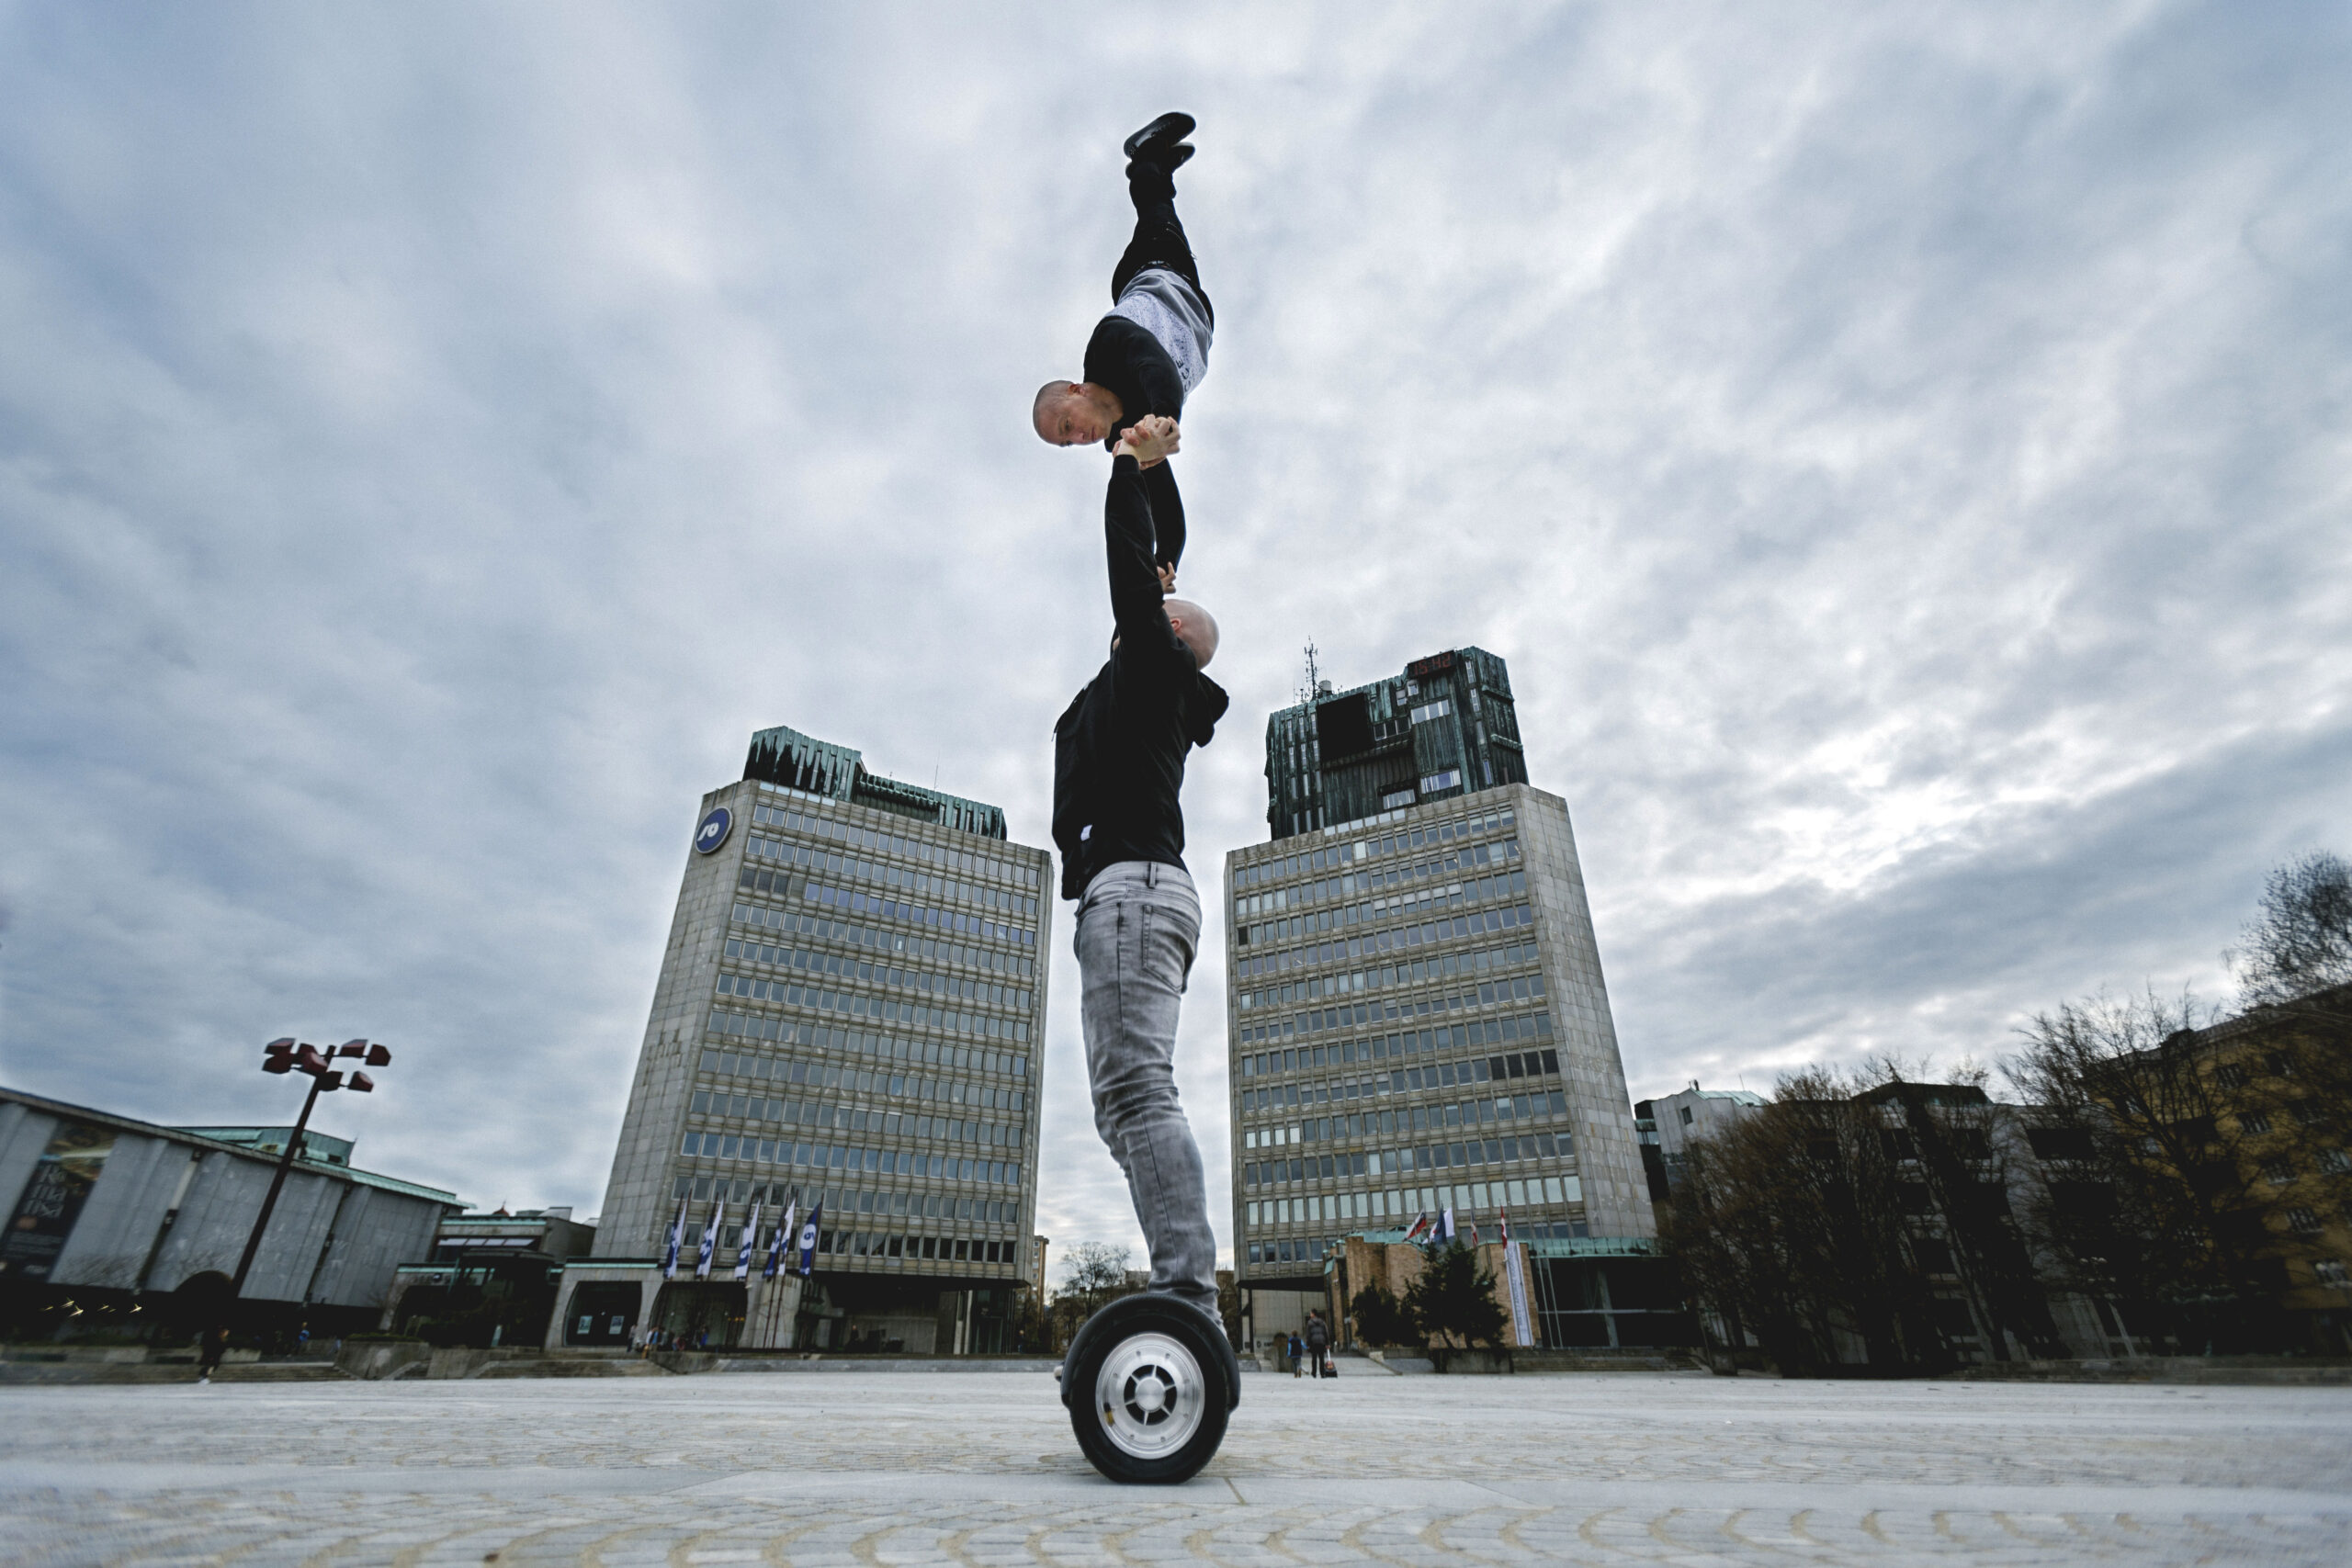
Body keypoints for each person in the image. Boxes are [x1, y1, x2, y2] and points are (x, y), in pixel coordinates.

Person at [1053, 412, 1227, 1325]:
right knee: (1121, 1105)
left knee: (1134, 1091)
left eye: (1159, 604)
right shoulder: (1137, 689)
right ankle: (1185, 1281)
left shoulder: (1155, 671)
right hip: (1135, 896)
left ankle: (1188, 1289)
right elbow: (1153, 557)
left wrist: (1125, 468)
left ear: (1168, 632)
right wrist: (1158, 483)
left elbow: (1131, 569)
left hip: (1133, 894)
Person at [1034, 113, 1213, 590]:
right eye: (1066, 443)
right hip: (1189, 303)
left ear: (1075, 389)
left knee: (1158, 214)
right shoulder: (1125, 440)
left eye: (1067, 425)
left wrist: (1164, 417)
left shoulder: (1106, 348)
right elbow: (1164, 507)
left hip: (1154, 269)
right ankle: (1161, 171)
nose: (1078, 440)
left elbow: (1151, 361)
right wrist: (1165, 558)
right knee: (1161, 210)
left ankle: (1144, 158)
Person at [1305, 1310, 1331, 1380]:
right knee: (1321, 1358)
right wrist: (1327, 1343)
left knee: (1314, 1358)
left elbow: (1308, 1334)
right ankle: (1322, 1373)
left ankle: (1314, 1373)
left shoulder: (1310, 1323)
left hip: (1313, 1342)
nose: (1310, 1315)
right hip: (1322, 1342)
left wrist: (1308, 1344)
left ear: (1313, 1314)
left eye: (1311, 1313)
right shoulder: (1322, 1322)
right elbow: (1326, 1332)